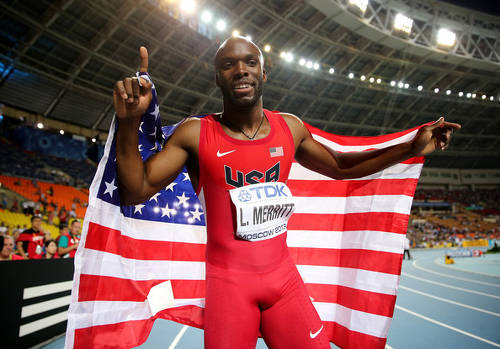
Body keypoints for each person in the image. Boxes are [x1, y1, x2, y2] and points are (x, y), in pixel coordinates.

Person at [113, 38, 460, 348]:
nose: (240, 70)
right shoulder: (196, 133)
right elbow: (136, 191)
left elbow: (342, 167)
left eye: (250, 62)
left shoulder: (289, 129)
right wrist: (129, 122)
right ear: (218, 77)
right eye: (228, 64)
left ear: (264, 74)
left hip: (283, 281)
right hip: (229, 287)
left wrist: (410, 148)